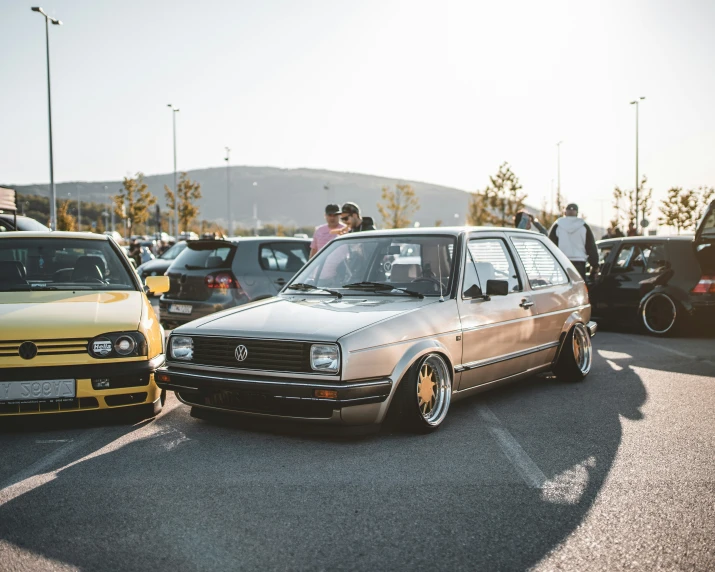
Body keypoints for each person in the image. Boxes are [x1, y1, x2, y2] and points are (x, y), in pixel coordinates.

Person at [548, 203, 599, 279]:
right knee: (579, 289)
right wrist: (595, 266)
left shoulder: (558, 225)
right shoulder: (584, 226)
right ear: (577, 212)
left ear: (565, 212)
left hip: (562, 262)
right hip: (579, 264)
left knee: (563, 289)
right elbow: (591, 247)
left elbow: (550, 245)